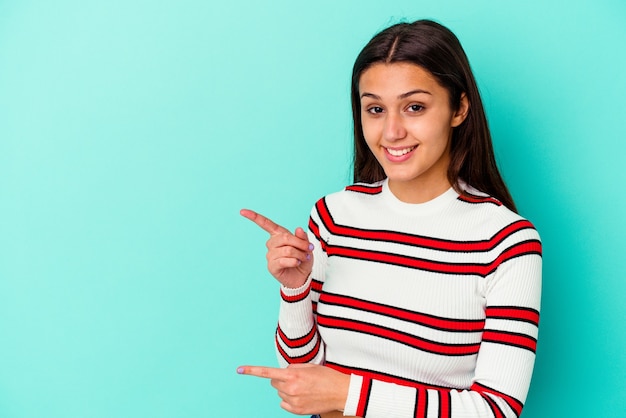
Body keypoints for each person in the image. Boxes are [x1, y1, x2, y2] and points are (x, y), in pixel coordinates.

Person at [237, 19, 542, 418]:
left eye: (414, 107)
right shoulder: (333, 216)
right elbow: (306, 376)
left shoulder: (507, 242)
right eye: (375, 109)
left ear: (459, 108)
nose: (392, 131)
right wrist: (296, 291)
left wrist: (349, 395)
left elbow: (495, 409)